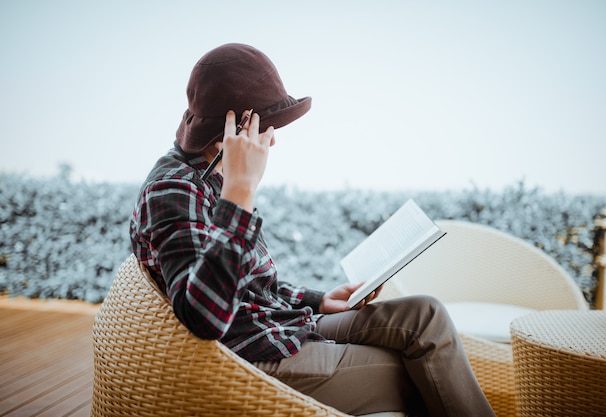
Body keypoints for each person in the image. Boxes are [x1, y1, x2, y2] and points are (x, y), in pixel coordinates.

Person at [129, 43, 496, 417]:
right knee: (423, 372)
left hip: (275, 326)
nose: (272, 140)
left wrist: (318, 300)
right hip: (257, 356)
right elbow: (204, 314)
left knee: (425, 315)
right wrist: (240, 191)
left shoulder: (213, 175)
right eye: (268, 127)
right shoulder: (175, 188)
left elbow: (248, 285)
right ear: (239, 129)